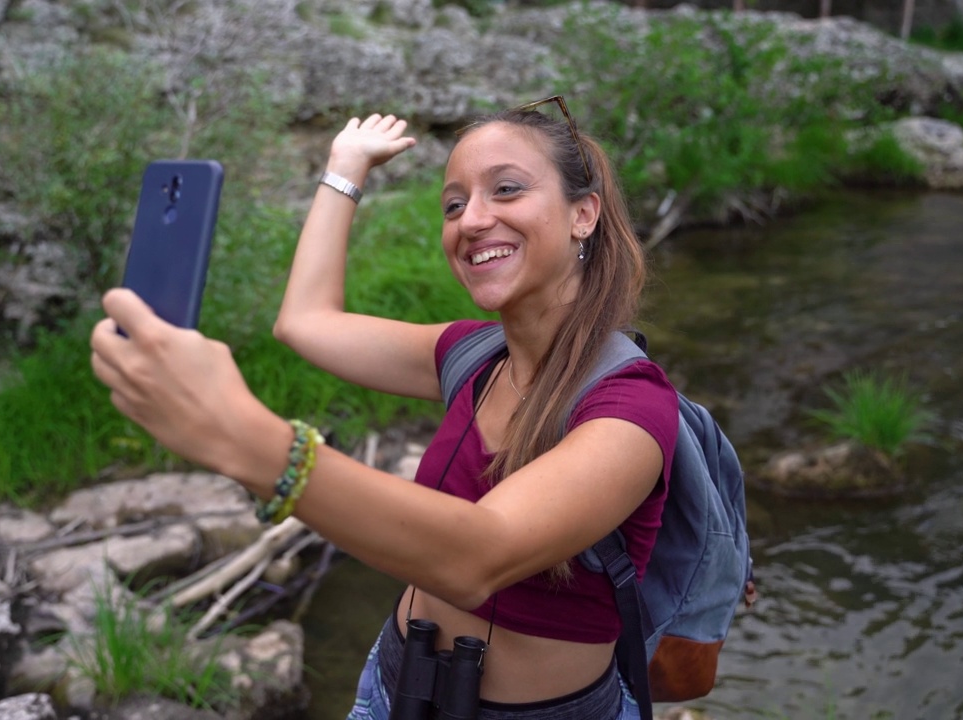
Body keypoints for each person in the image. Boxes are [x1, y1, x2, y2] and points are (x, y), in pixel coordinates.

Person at [90, 99, 680, 719]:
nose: (472, 220)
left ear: (583, 214)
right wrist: (345, 168)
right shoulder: (472, 355)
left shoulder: (633, 406)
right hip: (394, 687)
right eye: (453, 204)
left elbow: (478, 556)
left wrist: (247, 441)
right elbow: (306, 323)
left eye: (506, 190)